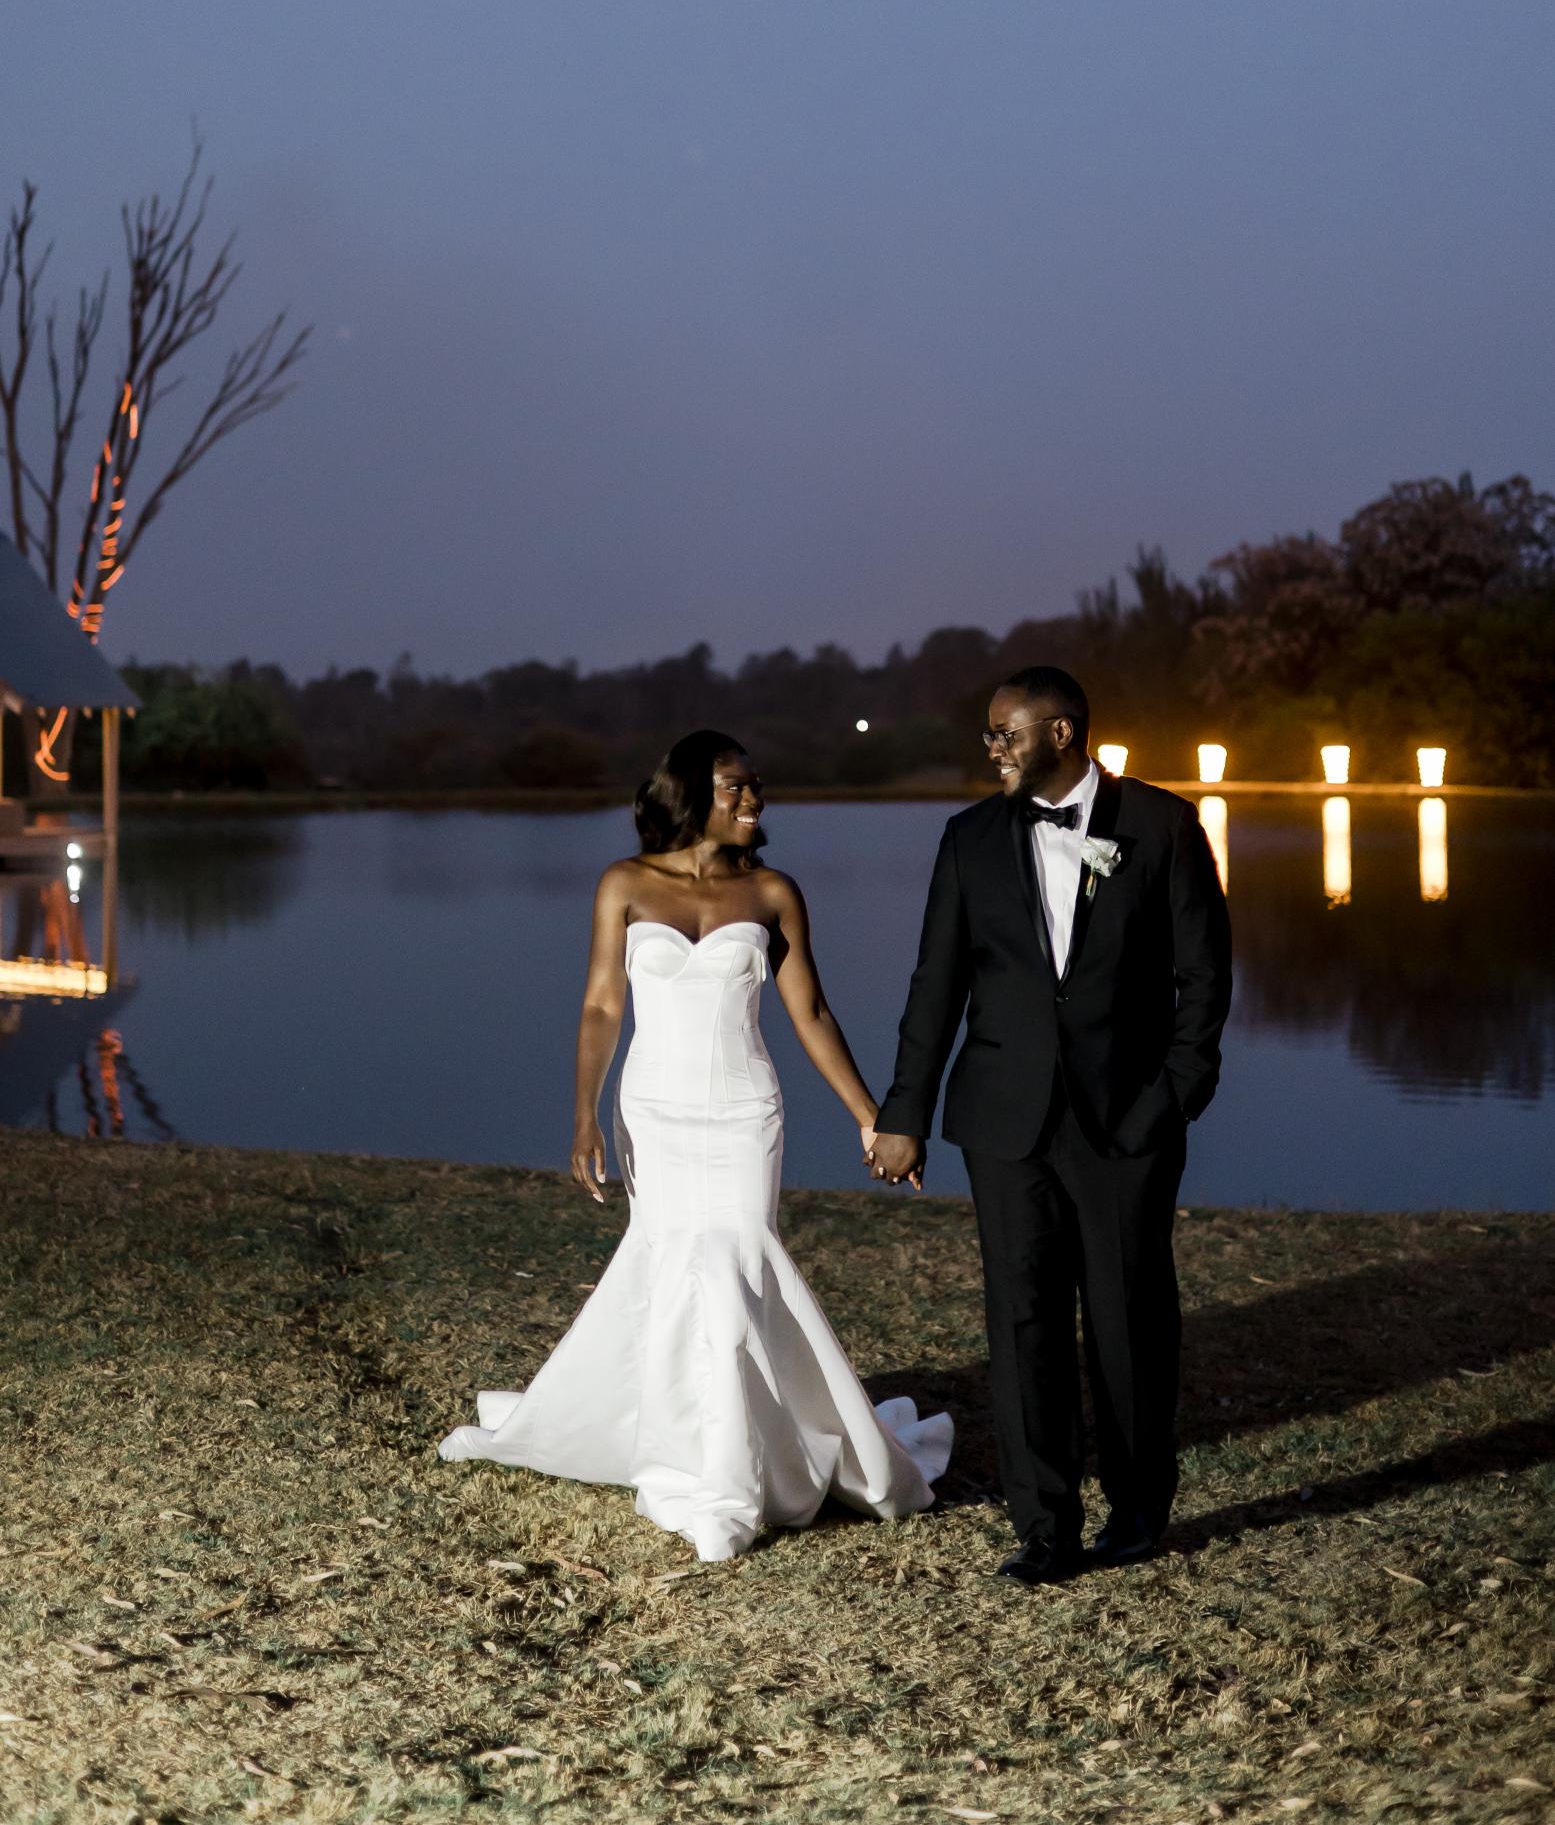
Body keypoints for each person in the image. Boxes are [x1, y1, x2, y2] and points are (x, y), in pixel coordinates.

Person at [440, 730, 951, 1560]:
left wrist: (869, 1114)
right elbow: (601, 1004)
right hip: (655, 1109)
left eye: (756, 785)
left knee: (738, 1255)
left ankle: (731, 1467)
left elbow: (810, 1011)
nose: (753, 799)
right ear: (687, 793)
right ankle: (690, 1444)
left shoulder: (774, 892)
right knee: (673, 1258)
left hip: (744, 1108)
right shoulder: (624, 883)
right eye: (734, 785)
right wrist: (584, 1114)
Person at [867, 666, 1231, 1587]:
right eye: (989, 734)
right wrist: (903, 1111)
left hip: (1127, 1119)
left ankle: (1137, 1510)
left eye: (1006, 732)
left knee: (1128, 1315)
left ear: (1060, 732)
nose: (992, 748)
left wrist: (1173, 1094)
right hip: (1003, 1119)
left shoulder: (1162, 825)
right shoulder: (969, 838)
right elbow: (935, 984)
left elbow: (1204, 976)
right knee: (1022, 1315)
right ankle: (1043, 1527)